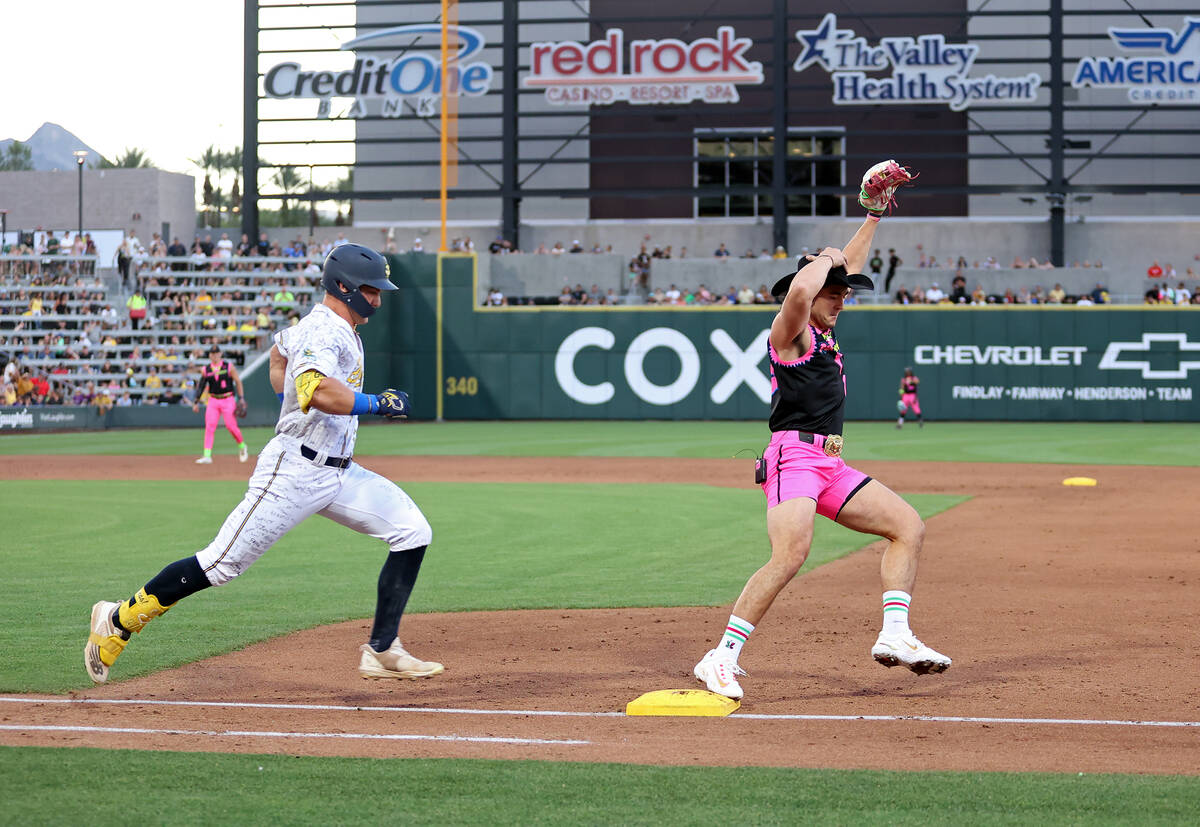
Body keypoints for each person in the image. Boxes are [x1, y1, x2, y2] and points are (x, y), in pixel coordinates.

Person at [85, 243, 442, 685]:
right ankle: (118, 620)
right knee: (220, 564)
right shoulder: (324, 332)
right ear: (344, 286)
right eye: (371, 290)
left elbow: (278, 354)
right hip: (293, 472)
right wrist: (378, 403)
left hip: (338, 471)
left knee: (412, 531)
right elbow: (318, 392)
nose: (378, 299)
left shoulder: (327, 328)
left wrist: (287, 404)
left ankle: (383, 649)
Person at [692, 161, 950, 701]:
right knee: (790, 555)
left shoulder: (825, 332)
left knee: (908, 527)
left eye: (845, 292)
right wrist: (824, 260)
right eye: (835, 292)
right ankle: (721, 658)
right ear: (811, 294)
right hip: (792, 459)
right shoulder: (791, 333)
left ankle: (896, 635)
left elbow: (843, 266)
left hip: (829, 462)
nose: (842, 297)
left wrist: (872, 215)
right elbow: (803, 292)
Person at [191, 345, 249, 464]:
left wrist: (241, 398)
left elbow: (238, 381)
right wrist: (196, 401)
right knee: (210, 426)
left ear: (220, 354)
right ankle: (207, 455)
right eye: (212, 353)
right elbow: (201, 385)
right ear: (209, 355)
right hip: (213, 400)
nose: (215, 355)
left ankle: (242, 446)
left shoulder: (228, 367)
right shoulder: (206, 369)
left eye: (217, 353)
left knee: (231, 426)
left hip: (228, 398)